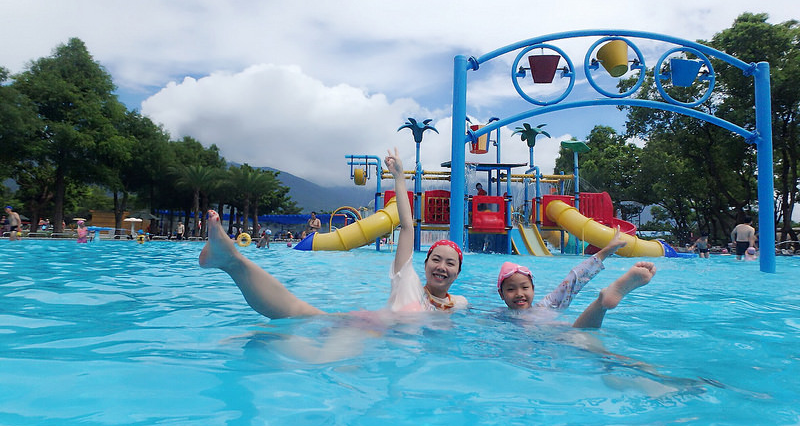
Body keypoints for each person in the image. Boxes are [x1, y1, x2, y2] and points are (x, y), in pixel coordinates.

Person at [198, 148, 466, 319]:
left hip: (385, 345)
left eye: (449, 262)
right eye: (436, 259)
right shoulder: (407, 281)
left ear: (458, 272)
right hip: (371, 332)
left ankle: (230, 262)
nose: (441, 266)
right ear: (426, 263)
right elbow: (407, 227)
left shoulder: (458, 305)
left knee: (300, 317)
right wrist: (399, 178)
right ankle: (232, 261)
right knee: (296, 312)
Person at [496, 228, 656, 329]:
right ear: (501, 294)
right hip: (563, 331)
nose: (519, 293)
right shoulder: (546, 306)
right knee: (598, 350)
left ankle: (603, 301)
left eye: (525, 287)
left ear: (533, 289)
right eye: (511, 289)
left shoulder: (545, 305)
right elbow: (574, 279)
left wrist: (606, 250)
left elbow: (574, 278)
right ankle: (601, 303)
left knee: (583, 339)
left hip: (555, 336)